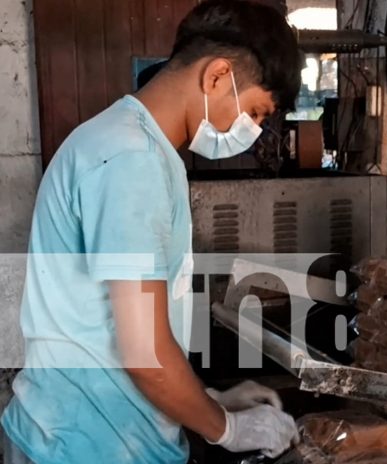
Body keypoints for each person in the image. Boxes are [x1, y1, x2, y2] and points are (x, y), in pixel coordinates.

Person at [1, 1, 302, 462]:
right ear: (217, 76)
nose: (254, 132)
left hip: (91, 432)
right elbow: (144, 353)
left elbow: (123, 328)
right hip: (85, 446)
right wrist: (228, 428)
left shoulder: (132, 146)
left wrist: (210, 399)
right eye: (256, 113)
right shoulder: (131, 162)